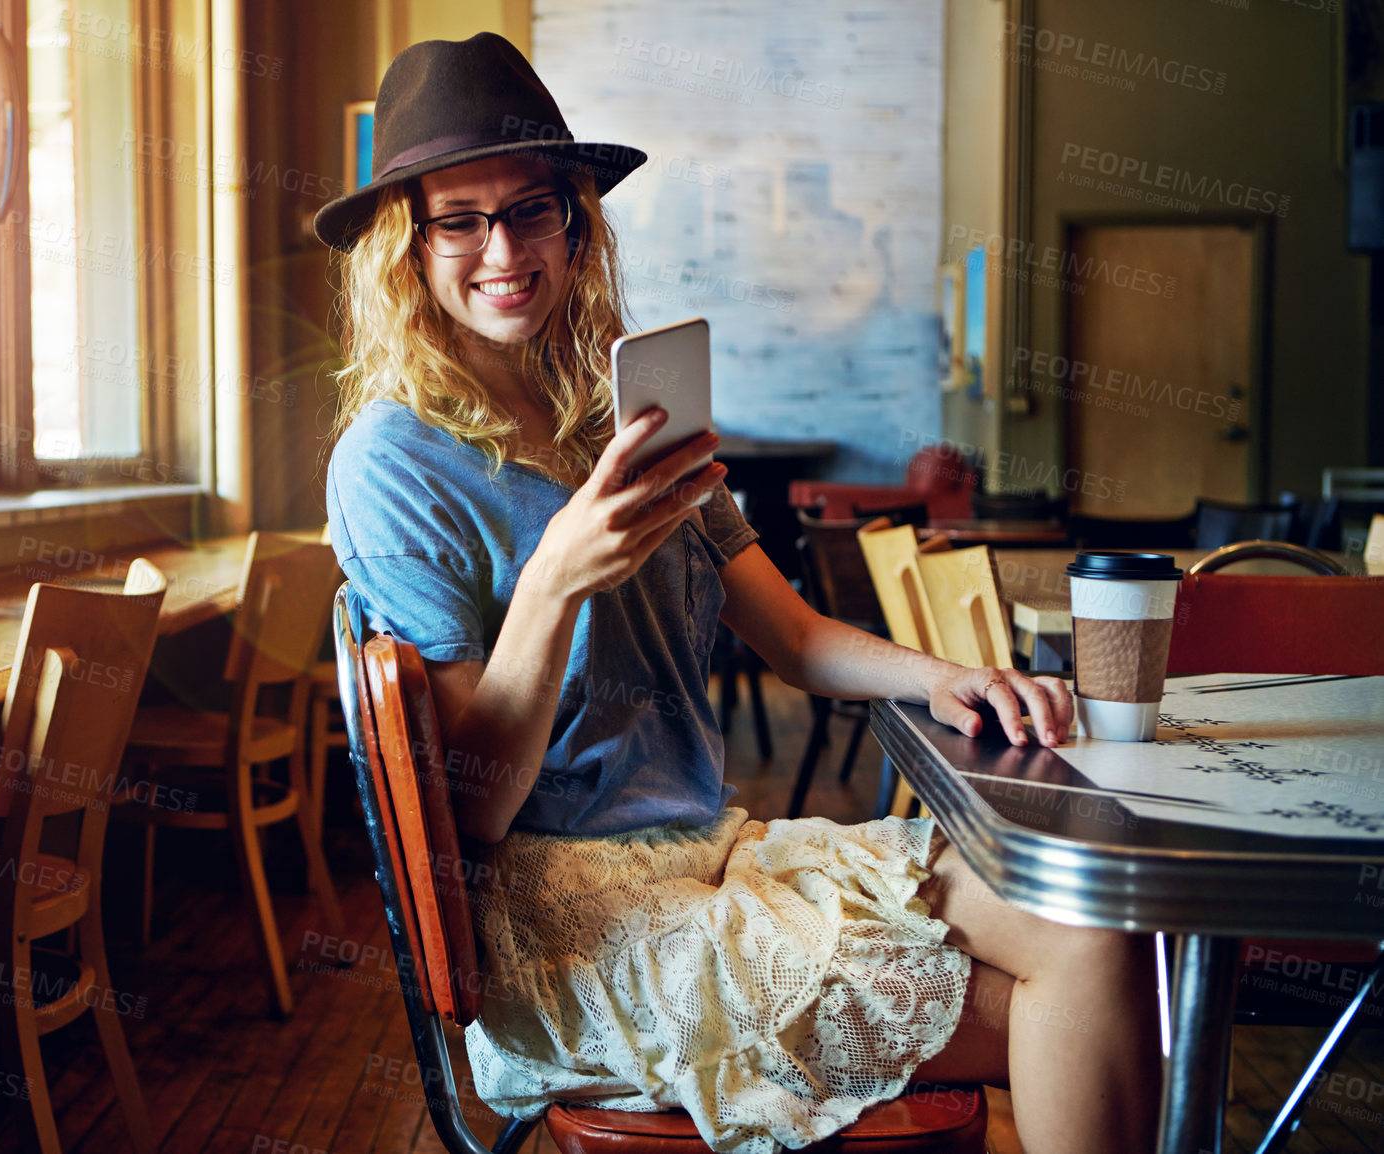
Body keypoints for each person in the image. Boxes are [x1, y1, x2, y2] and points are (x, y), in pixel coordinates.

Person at [315, 32, 1159, 1154]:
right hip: (572, 919)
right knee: (1064, 999)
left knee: (1099, 924)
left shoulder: (618, 403)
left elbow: (797, 637)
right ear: (406, 246)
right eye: (459, 219)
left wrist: (957, 675)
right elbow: (472, 802)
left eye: (532, 208)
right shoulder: (392, 458)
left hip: (711, 855)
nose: (503, 248)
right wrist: (559, 574)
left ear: (576, 219)